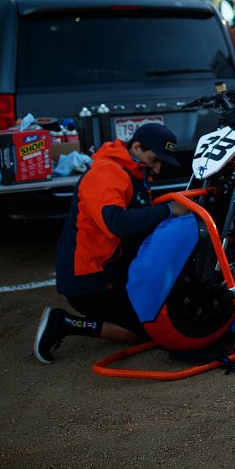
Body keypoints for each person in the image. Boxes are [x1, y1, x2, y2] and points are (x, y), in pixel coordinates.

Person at [34, 123, 189, 363]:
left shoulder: (134, 172)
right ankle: (64, 323)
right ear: (136, 147)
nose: (157, 170)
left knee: (163, 307)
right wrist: (168, 210)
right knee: (149, 331)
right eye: (155, 160)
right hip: (91, 283)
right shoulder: (107, 172)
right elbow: (116, 222)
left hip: (112, 274)